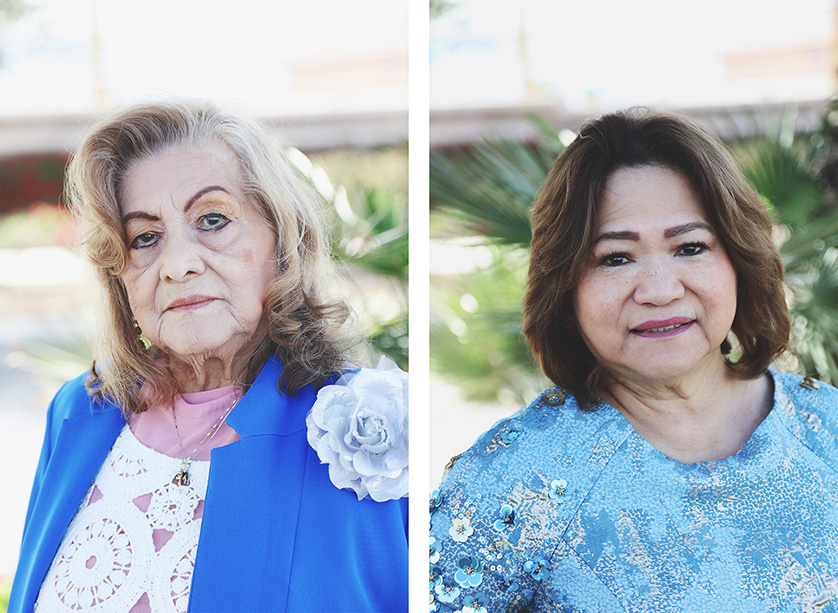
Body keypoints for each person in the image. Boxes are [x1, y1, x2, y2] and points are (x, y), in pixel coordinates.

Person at [429, 108, 838, 612]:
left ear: (738, 259)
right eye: (616, 258)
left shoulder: (828, 428)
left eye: (690, 247)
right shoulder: (509, 485)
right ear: (565, 286)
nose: (661, 291)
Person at [9, 99, 408, 612]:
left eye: (213, 219)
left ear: (281, 239)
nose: (177, 265)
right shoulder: (79, 411)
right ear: (120, 275)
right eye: (145, 238)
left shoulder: (378, 433)